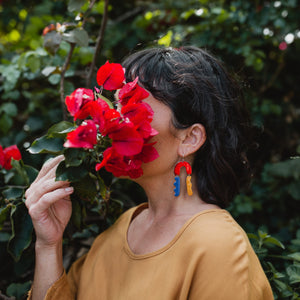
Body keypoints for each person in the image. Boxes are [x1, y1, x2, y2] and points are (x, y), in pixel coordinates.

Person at [25, 46, 274, 300]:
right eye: (119, 104)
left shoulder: (220, 246)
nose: (115, 119)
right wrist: (48, 245)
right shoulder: (120, 229)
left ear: (190, 139)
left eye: (133, 107)